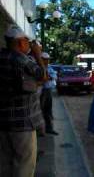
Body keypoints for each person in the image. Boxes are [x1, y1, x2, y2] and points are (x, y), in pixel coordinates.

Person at [0, 25, 45, 177]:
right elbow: (42, 76)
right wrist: (38, 54)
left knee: (5, 163)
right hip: (23, 123)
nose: (29, 45)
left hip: (3, 123)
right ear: (20, 42)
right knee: (24, 165)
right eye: (27, 41)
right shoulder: (21, 59)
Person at [40, 52, 59, 135]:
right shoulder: (40, 68)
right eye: (45, 59)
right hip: (42, 90)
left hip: (48, 90)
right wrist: (49, 77)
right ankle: (42, 129)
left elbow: (54, 76)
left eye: (48, 59)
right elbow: (44, 78)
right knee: (41, 110)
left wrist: (49, 77)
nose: (47, 61)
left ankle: (48, 128)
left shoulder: (49, 67)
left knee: (48, 110)